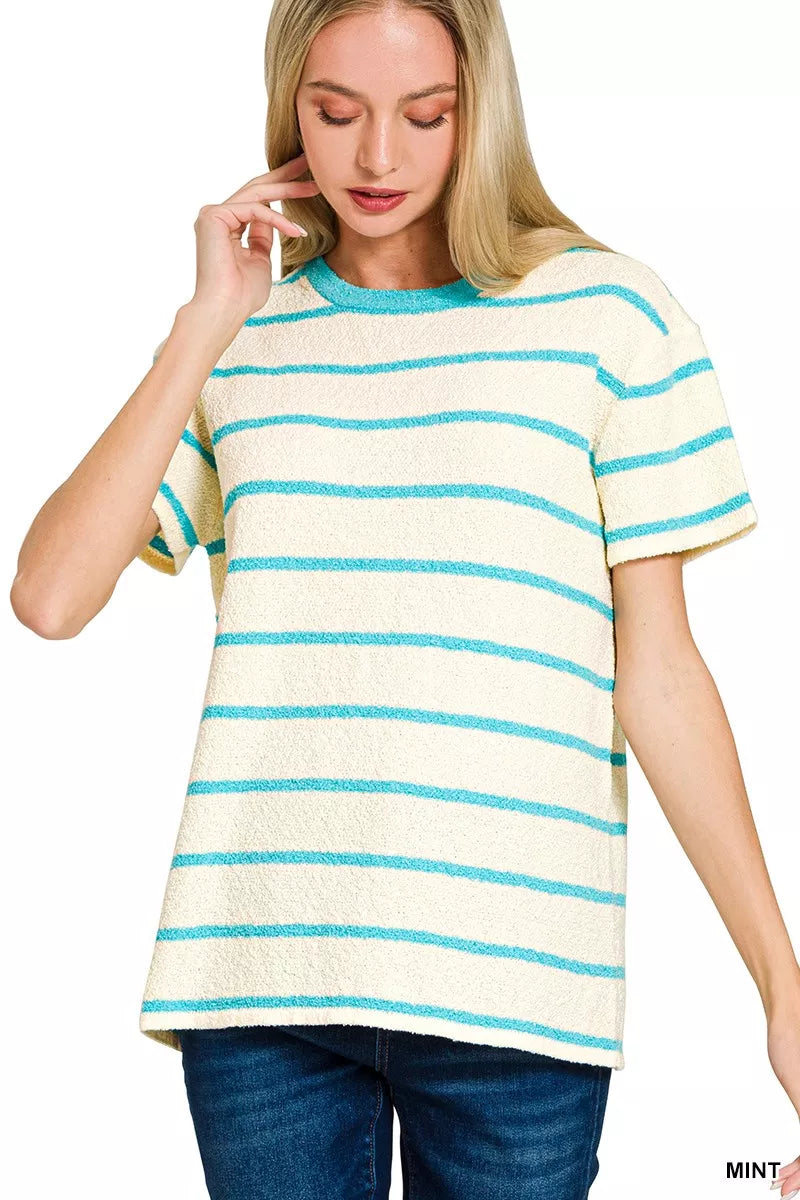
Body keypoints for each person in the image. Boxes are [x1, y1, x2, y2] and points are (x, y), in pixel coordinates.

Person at [10, 0, 799, 1197]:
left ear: (482, 115)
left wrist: (779, 985)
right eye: (336, 113)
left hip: (514, 984)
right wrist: (204, 324)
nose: (377, 156)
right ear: (290, 109)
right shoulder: (244, 341)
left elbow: (659, 673)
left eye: (425, 116)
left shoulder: (610, 319)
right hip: (260, 977)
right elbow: (52, 596)